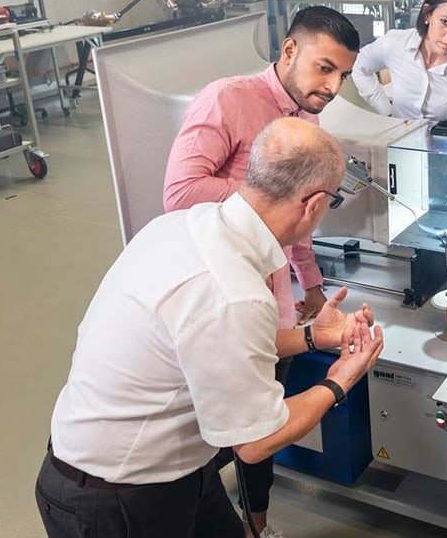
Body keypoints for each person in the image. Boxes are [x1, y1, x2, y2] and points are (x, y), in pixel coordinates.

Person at [36, 117, 385, 538]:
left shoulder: (185, 224)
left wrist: (315, 335)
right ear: (312, 205)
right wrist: (340, 379)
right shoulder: (232, 290)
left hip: (173, 468)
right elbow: (257, 440)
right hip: (113, 496)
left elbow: (221, 345)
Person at [163, 6, 360, 537]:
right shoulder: (227, 99)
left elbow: (297, 222)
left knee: (259, 430)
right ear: (289, 50)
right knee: (232, 433)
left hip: (271, 297)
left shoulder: (307, 116)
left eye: (343, 74)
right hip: (223, 298)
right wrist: (267, 198)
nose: (333, 86)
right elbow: (179, 194)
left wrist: (312, 287)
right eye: (325, 68)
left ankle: (258, 525)